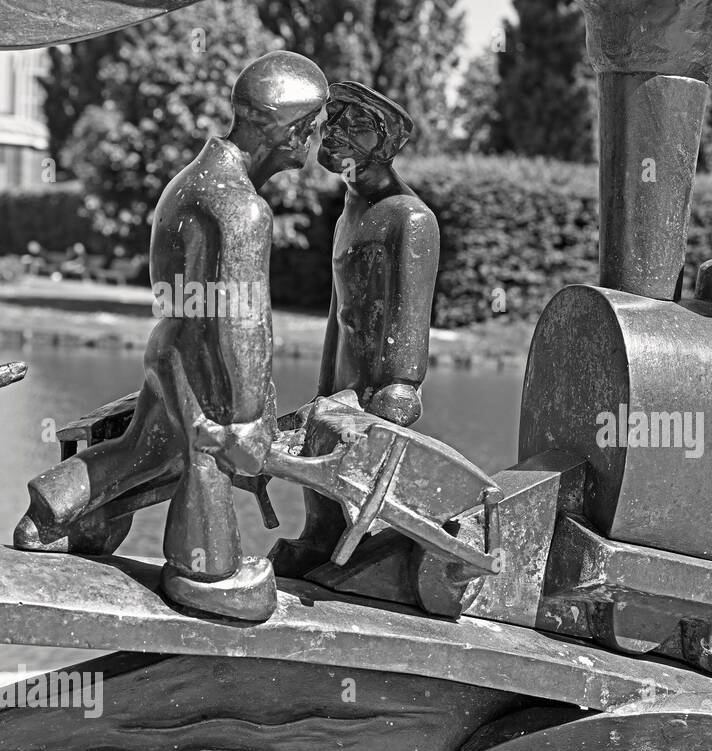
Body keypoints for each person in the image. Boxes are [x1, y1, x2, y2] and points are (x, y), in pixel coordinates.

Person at [13, 51, 328, 622]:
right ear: (295, 132)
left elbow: (179, 292)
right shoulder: (242, 208)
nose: (317, 143)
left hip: (172, 346)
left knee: (148, 450)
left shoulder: (191, 182)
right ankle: (206, 574)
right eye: (317, 128)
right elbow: (241, 322)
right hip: (208, 360)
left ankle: (48, 513)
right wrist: (247, 416)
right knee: (205, 455)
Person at [270, 81, 438, 578]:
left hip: (379, 390)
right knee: (300, 434)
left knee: (330, 440)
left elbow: (409, 326)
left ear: (384, 148)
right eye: (335, 117)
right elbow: (337, 316)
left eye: (356, 125)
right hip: (342, 378)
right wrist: (324, 388)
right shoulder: (350, 211)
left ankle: (358, 547)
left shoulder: (409, 220)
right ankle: (320, 535)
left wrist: (398, 392)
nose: (335, 131)